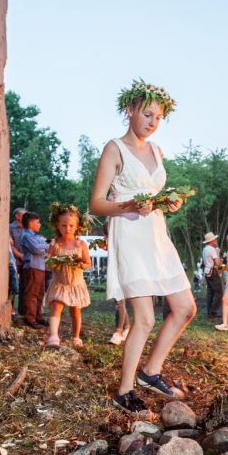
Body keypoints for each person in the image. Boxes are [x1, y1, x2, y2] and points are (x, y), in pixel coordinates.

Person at [89, 79, 194, 413]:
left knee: (185, 308)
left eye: (159, 117)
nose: (152, 121)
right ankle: (125, 389)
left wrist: (167, 202)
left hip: (156, 237)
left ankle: (151, 371)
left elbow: (153, 197)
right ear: (130, 110)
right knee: (144, 319)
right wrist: (130, 205)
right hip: (129, 236)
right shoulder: (114, 149)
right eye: (147, 113)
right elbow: (96, 204)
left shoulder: (157, 151)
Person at [44, 204, 92, 347]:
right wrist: (54, 262)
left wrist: (79, 264)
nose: (67, 229)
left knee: (75, 312)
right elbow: (47, 263)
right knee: (55, 307)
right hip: (60, 283)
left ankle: (76, 337)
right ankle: (53, 336)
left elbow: (88, 263)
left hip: (75, 284)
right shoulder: (54, 244)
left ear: (77, 226)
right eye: (64, 225)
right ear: (57, 225)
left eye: (71, 226)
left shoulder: (80, 244)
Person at [19, 212, 49, 328]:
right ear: (31, 223)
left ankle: (38, 316)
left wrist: (44, 245)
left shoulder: (35, 236)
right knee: (32, 293)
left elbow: (44, 245)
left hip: (40, 267)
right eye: (37, 222)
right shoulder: (27, 236)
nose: (39, 225)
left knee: (40, 293)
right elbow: (38, 250)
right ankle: (30, 318)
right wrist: (45, 246)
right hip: (32, 267)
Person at [9, 207, 27, 316]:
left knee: (24, 286)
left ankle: (22, 311)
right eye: (23, 215)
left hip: (25, 261)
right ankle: (10, 309)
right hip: (14, 261)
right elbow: (10, 245)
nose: (26, 217)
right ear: (17, 216)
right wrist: (20, 255)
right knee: (13, 286)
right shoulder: (10, 228)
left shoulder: (27, 228)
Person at [201, 231, 223, 318]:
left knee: (210, 292)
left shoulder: (205, 249)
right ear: (211, 241)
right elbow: (217, 263)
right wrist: (217, 253)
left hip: (207, 271)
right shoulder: (212, 249)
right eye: (214, 239)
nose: (216, 240)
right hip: (213, 271)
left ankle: (210, 312)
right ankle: (214, 311)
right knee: (219, 292)